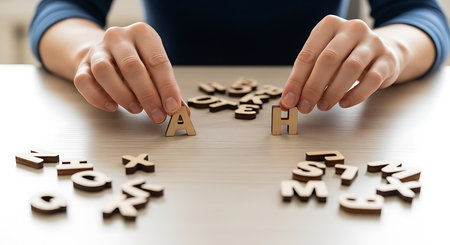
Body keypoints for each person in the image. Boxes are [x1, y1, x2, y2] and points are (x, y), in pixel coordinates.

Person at [29, 0, 450, 123]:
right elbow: (61, 10)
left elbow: (420, 14)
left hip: (324, 116)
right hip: (166, 104)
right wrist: (91, 53)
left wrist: (392, 50)